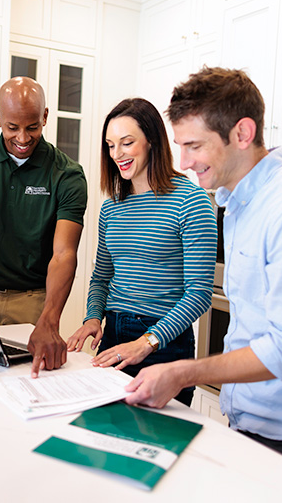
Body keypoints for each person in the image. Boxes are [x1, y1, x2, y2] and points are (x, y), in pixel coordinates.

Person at [124, 67, 282, 479]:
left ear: (242, 133)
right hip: (256, 419)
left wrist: (185, 371)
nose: (183, 163)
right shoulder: (238, 203)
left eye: (194, 146)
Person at [65, 98, 216, 407]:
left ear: (151, 141)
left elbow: (199, 294)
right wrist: (94, 317)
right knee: (105, 431)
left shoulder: (191, 201)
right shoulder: (111, 207)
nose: (117, 154)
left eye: (127, 143)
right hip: (114, 335)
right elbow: (101, 278)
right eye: (110, 145)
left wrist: (146, 342)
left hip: (164, 342)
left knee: (156, 442)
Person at [0, 76, 88, 377]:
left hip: (33, 302)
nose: (23, 138)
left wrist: (50, 318)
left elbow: (63, 254)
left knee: (27, 384)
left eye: (32, 127)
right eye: (13, 127)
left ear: (45, 117)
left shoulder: (68, 175)